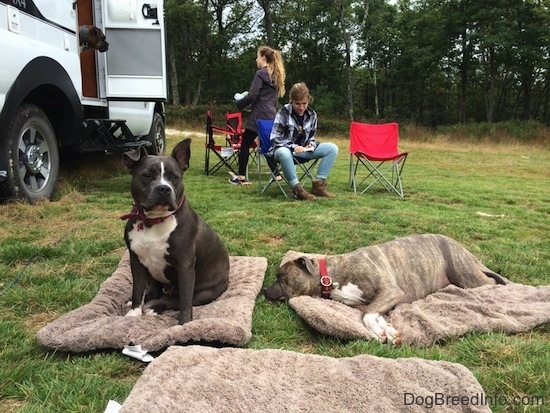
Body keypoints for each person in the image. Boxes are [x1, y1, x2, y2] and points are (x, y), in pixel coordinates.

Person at [268, 82, 339, 200]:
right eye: (297, 104)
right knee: (284, 152)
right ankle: (297, 189)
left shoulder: (312, 115)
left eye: (304, 103)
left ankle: (319, 186)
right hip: (284, 151)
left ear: (308, 100)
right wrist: (293, 147)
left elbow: (311, 137)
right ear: (291, 100)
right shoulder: (283, 113)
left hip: (304, 151)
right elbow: (275, 137)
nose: (301, 107)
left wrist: (310, 144)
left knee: (332, 148)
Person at [230, 45, 286, 185]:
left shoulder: (261, 74)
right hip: (271, 115)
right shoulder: (275, 75)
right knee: (266, 145)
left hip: (258, 115)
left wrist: (239, 104)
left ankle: (241, 176)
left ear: (263, 57)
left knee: (245, 143)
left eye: (257, 56)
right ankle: (277, 175)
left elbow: (253, 95)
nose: (256, 59)